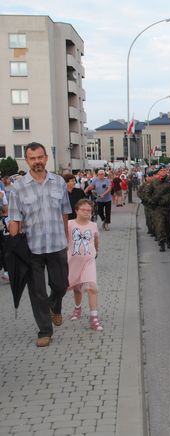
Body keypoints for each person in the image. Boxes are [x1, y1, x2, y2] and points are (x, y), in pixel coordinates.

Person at [8, 142, 72, 347]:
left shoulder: (59, 182)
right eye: (32, 158)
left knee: (61, 285)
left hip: (57, 244)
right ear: (27, 160)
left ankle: (54, 305)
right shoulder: (17, 187)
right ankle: (45, 330)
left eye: (40, 157)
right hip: (31, 248)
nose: (37, 161)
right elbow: (14, 219)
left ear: (46, 158)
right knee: (37, 292)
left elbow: (64, 212)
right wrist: (12, 242)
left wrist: (66, 237)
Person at [66, 199, 102, 331]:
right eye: (84, 210)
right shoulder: (69, 224)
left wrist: (96, 250)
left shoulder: (93, 225)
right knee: (76, 287)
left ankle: (94, 317)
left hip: (88, 261)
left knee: (92, 287)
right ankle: (77, 308)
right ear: (76, 210)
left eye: (89, 210)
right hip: (72, 262)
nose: (87, 212)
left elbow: (96, 239)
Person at [150, 166, 170, 252]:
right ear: (158, 172)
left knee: (169, 226)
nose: (163, 172)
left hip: (169, 207)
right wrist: (150, 201)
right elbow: (148, 193)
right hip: (158, 207)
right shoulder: (154, 182)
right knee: (160, 225)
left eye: (164, 170)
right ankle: (161, 243)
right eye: (161, 170)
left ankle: (168, 239)